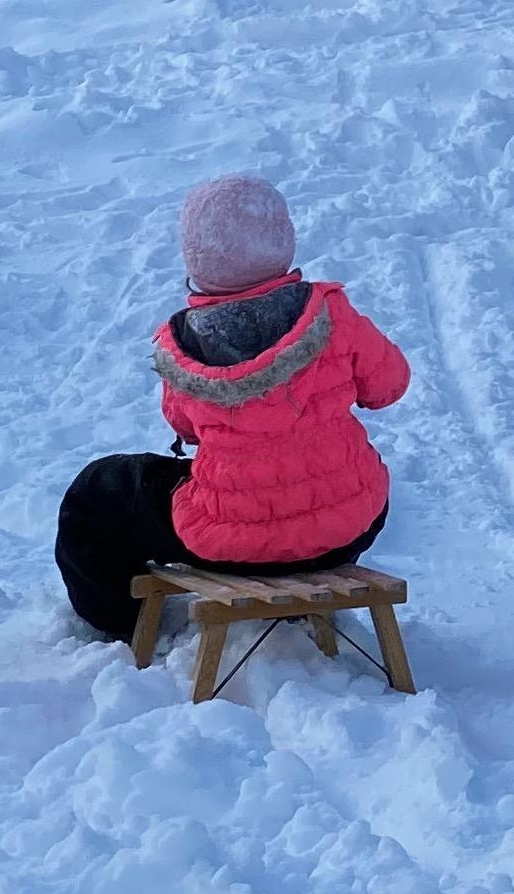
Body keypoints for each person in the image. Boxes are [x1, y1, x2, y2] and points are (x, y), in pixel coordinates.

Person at [56, 172, 411, 642]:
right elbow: (389, 387)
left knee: (98, 493)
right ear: (282, 240)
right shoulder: (332, 316)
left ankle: (120, 626)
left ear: (195, 255)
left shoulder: (185, 345)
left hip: (231, 546)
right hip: (348, 529)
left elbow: (185, 428)